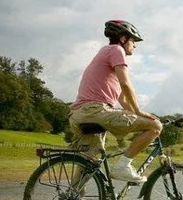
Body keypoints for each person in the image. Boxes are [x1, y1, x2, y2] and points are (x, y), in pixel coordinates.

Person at [68, 20, 162, 182]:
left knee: (87, 162)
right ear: (123, 38)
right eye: (133, 41)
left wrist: (133, 111)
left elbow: (122, 97)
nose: (135, 45)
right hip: (96, 110)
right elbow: (126, 84)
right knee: (155, 126)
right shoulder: (117, 50)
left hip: (80, 113)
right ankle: (123, 166)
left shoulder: (105, 53)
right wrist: (139, 111)